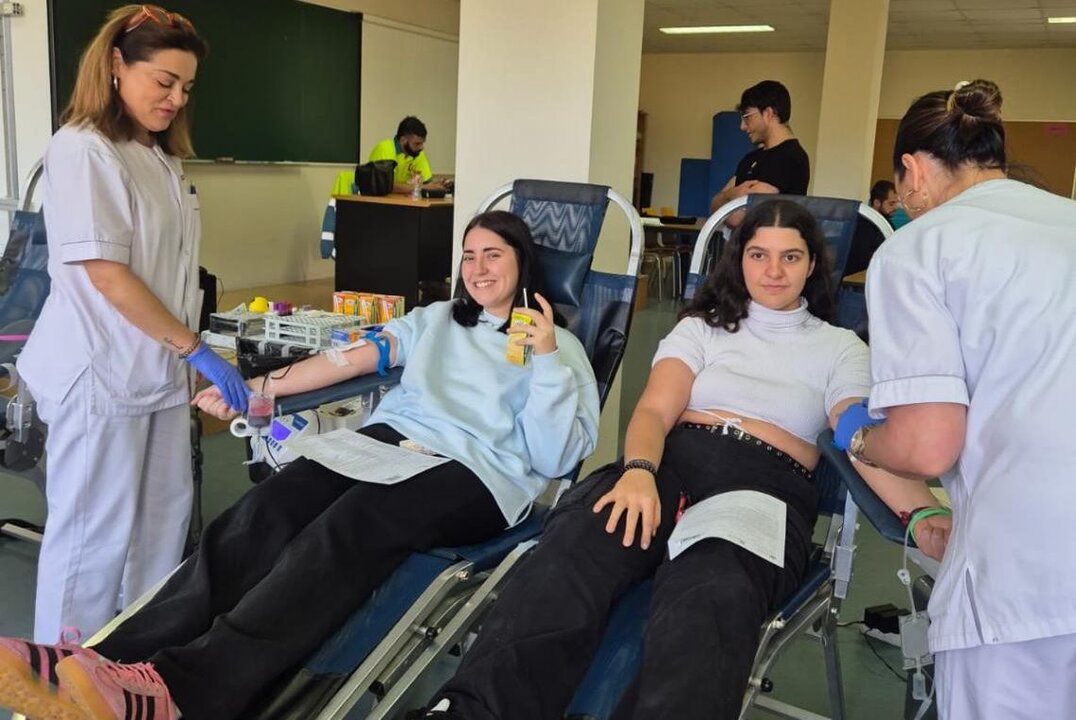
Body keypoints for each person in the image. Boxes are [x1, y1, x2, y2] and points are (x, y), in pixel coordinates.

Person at [0, 210, 600, 720]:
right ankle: (103, 662)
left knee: (348, 528)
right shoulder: (435, 320)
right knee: (267, 507)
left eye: (493, 255)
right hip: (393, 442)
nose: (477, 269)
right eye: (468, 255)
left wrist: (545, 360)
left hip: (476, 471)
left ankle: (181, 690)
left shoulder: (561, 349)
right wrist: (258, 389)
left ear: (523, 264)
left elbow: (554, 457)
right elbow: (348, 362)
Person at [413, 200, 946, 720]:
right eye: (759, 254)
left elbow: (859, 436)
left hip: (764, 486)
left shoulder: (841, 348)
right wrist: (638, 473)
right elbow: (652, 411)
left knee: (709, 594)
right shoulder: (702, 327)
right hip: (670, 461)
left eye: (791, 256)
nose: (774, 270)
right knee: (573, 550)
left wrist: (922, 514)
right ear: (739, 259)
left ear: (812, 265)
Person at [834, 79, 1076, 720]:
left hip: (1029, 571)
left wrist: (858, 434)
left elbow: (925, 444)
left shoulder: (919, 247)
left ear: (910, 172)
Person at [11, 4, 248, 646]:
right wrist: (198, 349)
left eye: (186, 88)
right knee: (91, 540)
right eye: (163, 81)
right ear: (117, 64)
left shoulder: (160, 158)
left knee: (158, 533)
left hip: (159, 373)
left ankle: (130, 667)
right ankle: (59, 690)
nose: (175, 99)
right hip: (102, 374)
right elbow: (108, 275)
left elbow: (169, 271)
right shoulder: (83, 149)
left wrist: (195, 349)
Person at [708, 81, 810, 226]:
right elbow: (714, 205)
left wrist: (727, 199)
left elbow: (738, 218)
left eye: (747, 117)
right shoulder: (751, 158)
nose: (742, 126)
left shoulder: (789, 156)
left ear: (768, 113)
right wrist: (730, 194)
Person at [369, 115, 450, 195]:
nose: (422, 147)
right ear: (403, 140)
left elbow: (426, 183)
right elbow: (386, 187)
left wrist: (438, 185)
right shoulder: (385, 149)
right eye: (417, 143)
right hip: (363, 199)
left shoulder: (417, 153)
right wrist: (422, 187)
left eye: (422, 143)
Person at [844, 179, 899, 276]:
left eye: (896, 203)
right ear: (877, 203)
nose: (895, 207)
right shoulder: (863, 225)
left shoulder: (886, 224)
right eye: (891, 203)